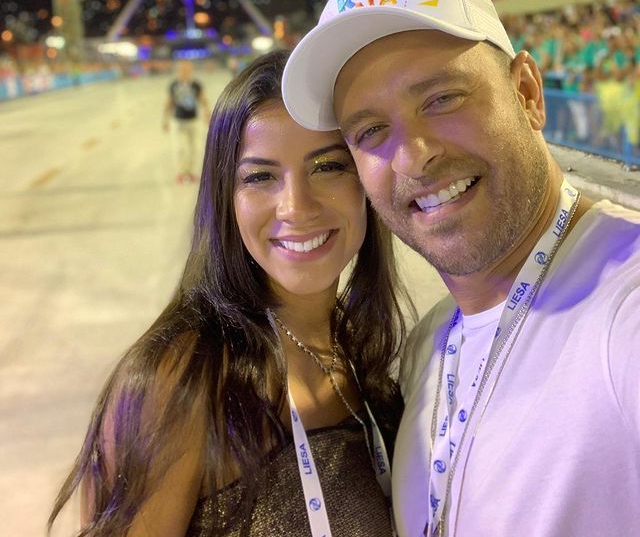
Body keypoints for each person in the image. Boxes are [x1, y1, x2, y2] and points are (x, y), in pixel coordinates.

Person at [282, 0, 640, 537]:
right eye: (370, 131)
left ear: (527, 93)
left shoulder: (623, 304)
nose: (413, 156)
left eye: (442, 98)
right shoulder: (429, 347)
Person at [50, 50, 409, 537]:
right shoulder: (183, 381)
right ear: (225, 198)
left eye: (328, 166)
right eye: (260, 176)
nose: (296, 207)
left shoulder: (360, 349)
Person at [162, 59, 210, 183]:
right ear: (178, 71)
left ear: (191, 70)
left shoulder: (196, 85)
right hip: (178, 121)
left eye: (187, 69)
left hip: (193, 121)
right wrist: (165, 119)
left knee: (195, 148)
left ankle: (191, 172)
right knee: (180, 149)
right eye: (182, 69)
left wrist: (207, 113)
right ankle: (181, 173)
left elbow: (203, 100)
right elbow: (169, 103)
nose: (184, 71)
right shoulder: (174, 85)